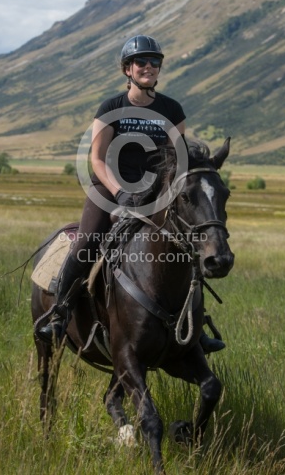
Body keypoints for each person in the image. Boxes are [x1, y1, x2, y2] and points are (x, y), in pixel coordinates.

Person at [37, 34, 225, 353]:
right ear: (128, 69)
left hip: (155, 193)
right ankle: (60, 312)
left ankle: (195, 324)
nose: (149, 67)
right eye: (142, 62)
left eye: (155, 62)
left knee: (184, 245)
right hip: (110, 191)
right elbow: (96, 158)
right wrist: (119, 191)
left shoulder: (171, 109)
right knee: (86, 242)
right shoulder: (111, 107)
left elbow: (175, 161)